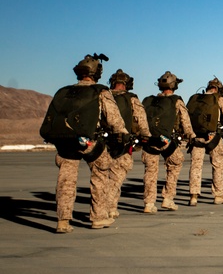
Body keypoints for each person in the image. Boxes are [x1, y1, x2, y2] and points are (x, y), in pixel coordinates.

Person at [39, 54, 129, 232]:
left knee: (65, 181)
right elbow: (114, 120)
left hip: (65, 144)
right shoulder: (100, 91)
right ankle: (98, 217)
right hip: (89, 144)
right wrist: (122, 134)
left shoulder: (63, 92)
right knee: (101, 172)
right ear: (97, 73)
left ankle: (63, 221)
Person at [141, 71, 195, 213]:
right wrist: (191, 136)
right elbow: (186, 122)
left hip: (149, 141)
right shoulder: (176, 101)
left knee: (150, 172)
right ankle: (168, 198)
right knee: (175, 163)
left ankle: (149, 203)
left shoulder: (148, 101)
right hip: (167, 142)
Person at [107, 69, 151, 219]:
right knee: (117, 175)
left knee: (101, 177)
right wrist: (145, 135)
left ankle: (108, 207)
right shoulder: (131, 98)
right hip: (122, 144)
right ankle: (107, 208)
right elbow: (141, 118)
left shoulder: (102, 96)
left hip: (101, 144)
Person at [187, 78, 223, 206]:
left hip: (196, 137)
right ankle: (218, 195)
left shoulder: (195, 99)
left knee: (196, 166)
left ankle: (193, 195)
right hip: (213, 137)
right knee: (218, 165)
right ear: (218, 89)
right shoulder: (220, 99)